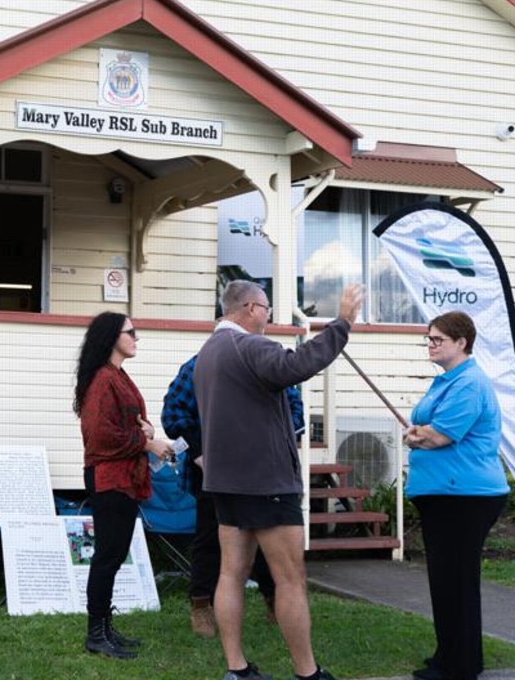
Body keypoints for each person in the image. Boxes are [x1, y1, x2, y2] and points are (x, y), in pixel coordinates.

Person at [194, 279, 363, 680]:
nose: (269, 317)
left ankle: (236, 669)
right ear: (250, 308)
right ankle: (308, 673)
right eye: (266, 309)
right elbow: (297, 366)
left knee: (230, 573)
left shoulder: (207, 353)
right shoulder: (250, 346)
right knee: (290, 579)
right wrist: (341, 323)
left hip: (224, 482)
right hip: (266, 482)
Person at [162, 352, 305, 636]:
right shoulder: (201, 364)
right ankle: (201, 606)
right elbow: (173, 414)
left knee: (270, 539)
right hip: (216, 472)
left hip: (266, 471)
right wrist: (199, 451)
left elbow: (295, 412)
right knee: (210, 539)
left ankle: (275, 601)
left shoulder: (270, 361)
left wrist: (279, 444)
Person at [403, 311, 508, 680]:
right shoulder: (448, 381)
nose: (430, 345)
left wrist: (419, 435)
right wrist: (419, 433)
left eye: (437, 340)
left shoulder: (468, 384)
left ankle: (460, 667)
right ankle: (450, 656)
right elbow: (422, 430)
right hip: (446, 495)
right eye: (428, 339)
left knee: (456, 582)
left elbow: (438, 435)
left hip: (464, 496)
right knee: (446, 581)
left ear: (461, 342)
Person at [74, 311, 177, 660]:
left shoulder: (116, 375)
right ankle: (95, 635)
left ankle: (105, 629)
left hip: (123, 478)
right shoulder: (103, 379)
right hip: (109, 478)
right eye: (131, 331)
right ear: (111, 337)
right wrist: (147, 442)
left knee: (114, 556)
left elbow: (124, 422)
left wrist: (146, 430)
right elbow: (101, 435)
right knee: (107, 557)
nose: (137, 337)